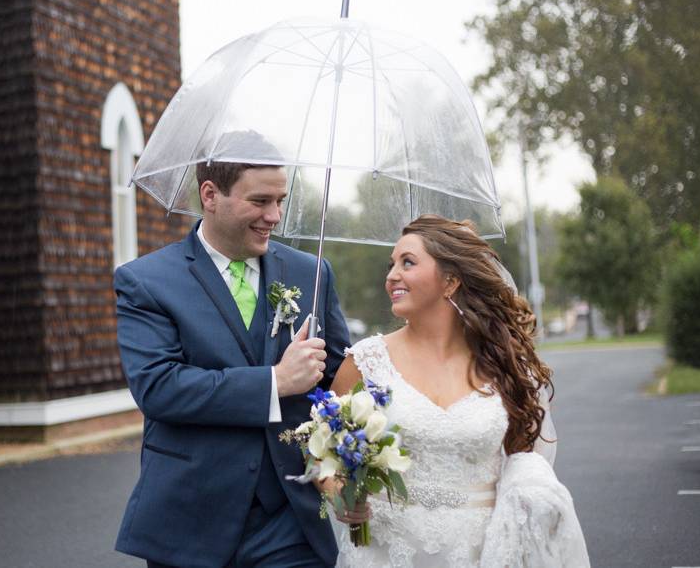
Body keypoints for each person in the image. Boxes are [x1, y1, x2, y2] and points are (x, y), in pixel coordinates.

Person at [114, 158, 351, 567]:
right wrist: (274, 381)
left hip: (290, 518)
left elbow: (340, 384)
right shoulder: (146, 280)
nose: (274, 216)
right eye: (260, 201)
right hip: (191, 517)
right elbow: (159, 388)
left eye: (280, 200)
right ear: (210, 195)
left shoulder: (311, 273)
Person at [328, 215, 589, 567]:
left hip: (481, 553)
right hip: (385, 554)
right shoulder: (366, 362)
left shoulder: (502, 366)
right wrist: (338, 494)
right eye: (392, 264)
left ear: (450, 281)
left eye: (408, 262)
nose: (392, 276)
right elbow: (322, 451)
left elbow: (526, 463)